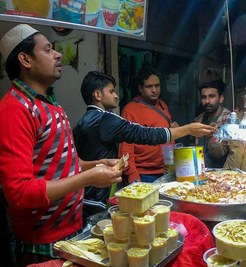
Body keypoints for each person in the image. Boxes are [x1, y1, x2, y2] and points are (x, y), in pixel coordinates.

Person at [0, 24, 123, 266]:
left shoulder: (49, 103)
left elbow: (61, 165)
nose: (58, 54)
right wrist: (89, 178)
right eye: (48, 49)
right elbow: (19, 194)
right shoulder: (14, 112)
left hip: (72, 232)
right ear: (25, 59)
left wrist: (96, 164)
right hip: (42, 246)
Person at [73, 71, 213, 212]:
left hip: (86, 195)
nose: (116, 95)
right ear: (97, 95)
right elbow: (145, 134)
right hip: (96, 197)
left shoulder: (84, 120)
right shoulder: (104, 118)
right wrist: (187, 129)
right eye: (111, 91)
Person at [119, 65, 179, 183]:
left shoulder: (162, 105)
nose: (154, 90)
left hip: (166, 171)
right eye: (149, 86)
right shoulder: (130, 110)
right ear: (140, 88)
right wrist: (133, 176)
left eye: (157, 86)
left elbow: (167, 132)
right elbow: (126, 148)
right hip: (144, 175)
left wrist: (175, 128)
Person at [194, 80, 232, 168]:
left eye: (211, 96)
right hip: (201, 169)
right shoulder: (199, 119)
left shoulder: (228, 119)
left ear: (221, 98)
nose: (207, 101)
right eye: (204, 97)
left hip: (221, 172)